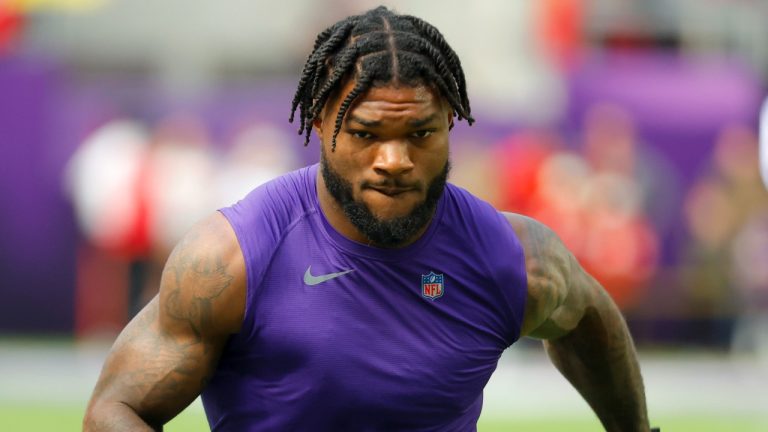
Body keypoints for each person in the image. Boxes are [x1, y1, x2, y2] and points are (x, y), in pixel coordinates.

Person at [84, 6, 655, 431]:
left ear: (452, 121)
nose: (394, 161)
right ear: (318, 119)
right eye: (365, 134)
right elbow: (115, 409)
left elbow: (587, 319)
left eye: (420, 134)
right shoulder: (232, 258)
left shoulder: (516, 260)